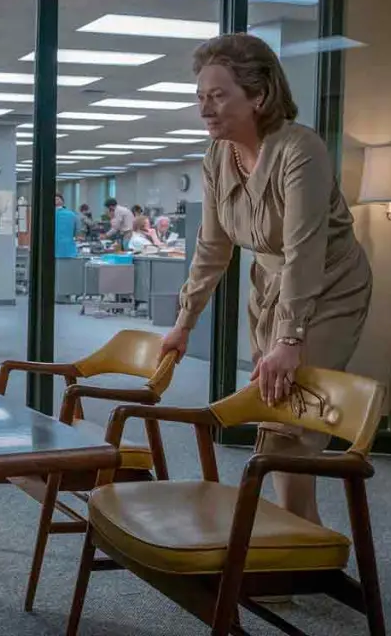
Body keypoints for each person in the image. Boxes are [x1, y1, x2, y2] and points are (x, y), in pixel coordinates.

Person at [161, 33, 372, 527]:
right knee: (274, 409)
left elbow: (304, 251)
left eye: (218, 95)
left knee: (289, 421)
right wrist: (183, 322)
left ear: (258, 95)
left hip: (330, 286)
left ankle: (297, 540)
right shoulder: (217, 157)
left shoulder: (300, 149)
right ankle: (300, 535)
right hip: (270, 288)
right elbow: (213, 248)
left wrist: (290, 337)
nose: (205, 109)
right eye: (200, 97)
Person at [54, 192, 78, 258]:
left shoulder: (46, 214)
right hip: (69, 250)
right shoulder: (72, 214)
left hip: (54, 249)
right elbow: (76, 232)